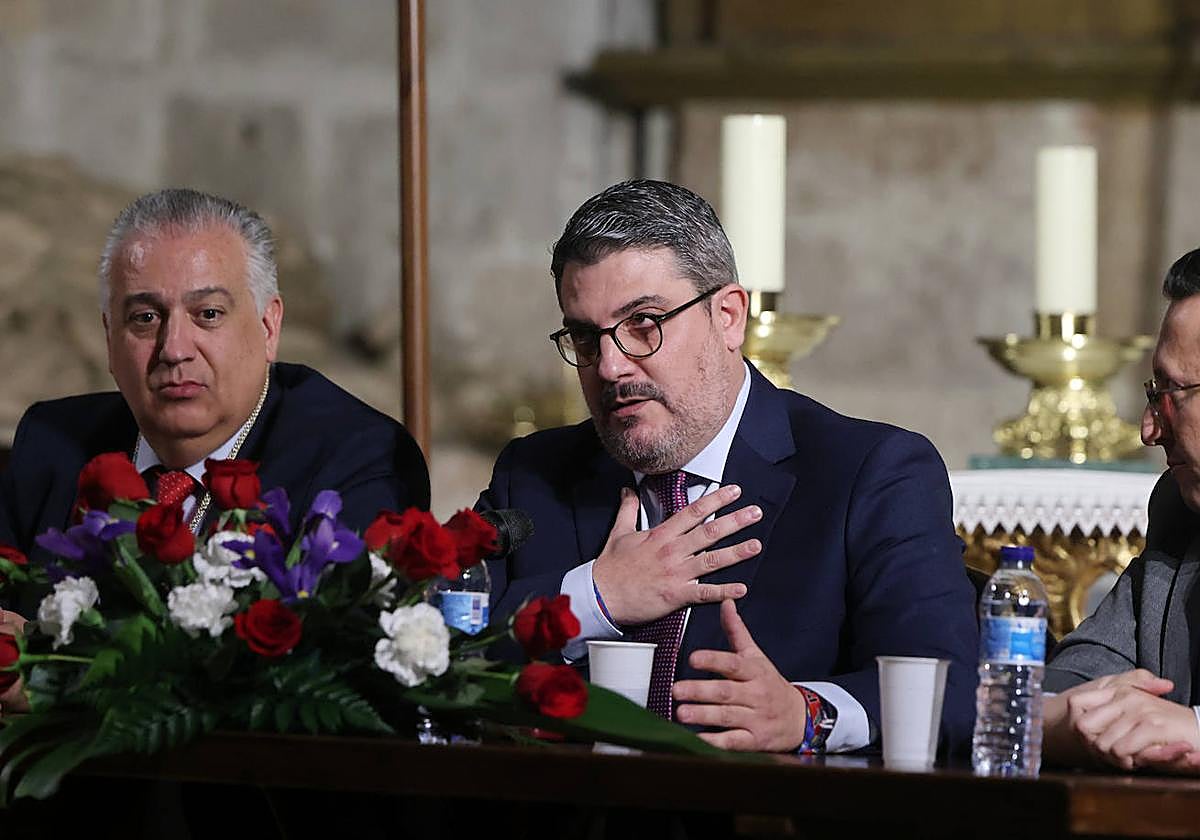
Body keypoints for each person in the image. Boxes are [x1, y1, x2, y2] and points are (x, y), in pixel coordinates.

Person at [477, 179, 978, 754]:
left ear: (729, 316)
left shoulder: (870, 473)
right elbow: (420, 644)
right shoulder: (535, 472)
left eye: (644, 324)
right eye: (586, 337)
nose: (611, 367)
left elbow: (953, 688)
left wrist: (806, 715)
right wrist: (593, 597)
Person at [0, 187, 429, 561]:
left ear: (268, 326)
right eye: (146, 318)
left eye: (208, 314)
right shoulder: (50, 445)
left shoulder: (356, 461)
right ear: (110, 336)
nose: (175, 349)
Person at [1044, 247, 1200, 773]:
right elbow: (1068, 687)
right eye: (1153, 393)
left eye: (1172, 394)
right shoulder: (1182, 517)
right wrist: (1068, 719)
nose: (1149, 429)